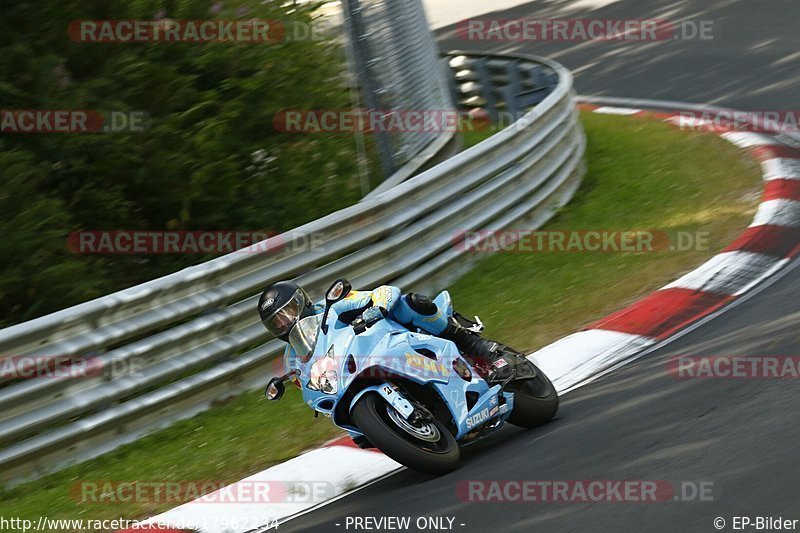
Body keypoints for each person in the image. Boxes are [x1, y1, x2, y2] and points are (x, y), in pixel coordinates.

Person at [257, 280, 506, 381]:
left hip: (388, 340)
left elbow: (384, 292)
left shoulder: (333, 306)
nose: (284, 324)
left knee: (411, 302)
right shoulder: (292, 357)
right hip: (355, 374)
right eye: (276, 323)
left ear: (301, 301)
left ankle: (472, 344)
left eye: (287, 314)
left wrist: (378, 309)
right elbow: (308, 381)